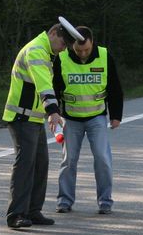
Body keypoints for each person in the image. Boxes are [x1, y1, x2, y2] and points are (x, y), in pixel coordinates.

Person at [2, 20, 81, 228]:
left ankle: (33, 211)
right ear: (53, 33)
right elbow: (43, 84)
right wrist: (53, 111)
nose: (63, 49)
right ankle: (16, 215)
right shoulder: (36, 50)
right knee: (25, 165)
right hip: (21, 117)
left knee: (40, 164)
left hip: (33, 117)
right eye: (63, 44)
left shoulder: (47, 52)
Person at [53, 26, 124, 215]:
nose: (83, 54)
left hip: (97, 118)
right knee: (69, 161)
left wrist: (116, 115)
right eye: (78, 50)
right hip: (71, 119)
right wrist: (53, 113)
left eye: (86, 49)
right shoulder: (62, 58)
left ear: (92, 42)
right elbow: (54, 88)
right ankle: (64, 201)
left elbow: (115, 87)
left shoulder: (104, 56)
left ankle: (105, 201)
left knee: (102, 158)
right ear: (72, 45)